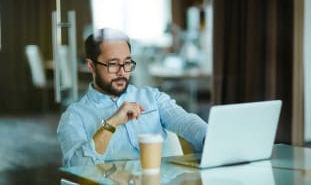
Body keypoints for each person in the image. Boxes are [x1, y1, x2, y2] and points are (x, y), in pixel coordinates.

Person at [57, 28, 207, 167]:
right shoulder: (74, 116)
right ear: (91, 65)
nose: (122, 72)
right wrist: (111, 123)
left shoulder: (152, 97)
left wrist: (210, 139)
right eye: (113, 64)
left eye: (127, 63)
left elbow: (186, 122)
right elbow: (77, 166)